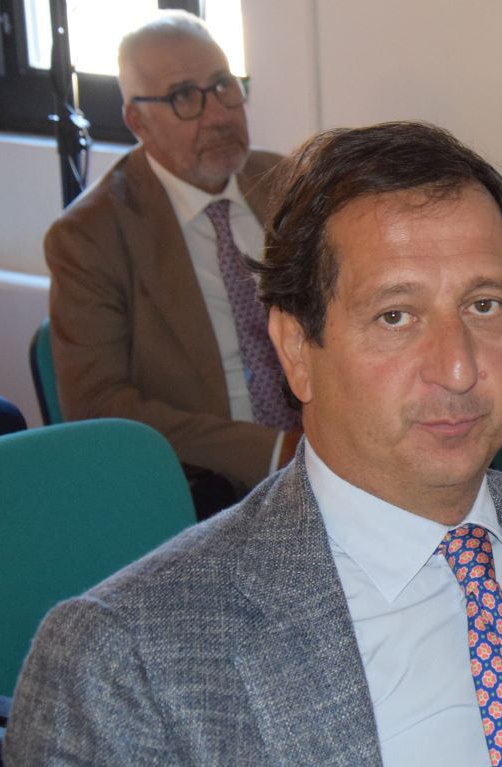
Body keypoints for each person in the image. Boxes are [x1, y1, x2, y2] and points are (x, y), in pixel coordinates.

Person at [5, 122, 502, 767]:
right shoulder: (128, 665)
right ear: (295, 350)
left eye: (484, 304)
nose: (458, 367)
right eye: (396, 316)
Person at [45, 10, 300, 511]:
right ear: (137, 122)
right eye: (184, 96)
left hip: (332, 449)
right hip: (205, 485)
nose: (219, 114)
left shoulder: (286, 182)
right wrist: (275, 451)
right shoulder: (91, 236)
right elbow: (97, 407)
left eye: (223, 85)